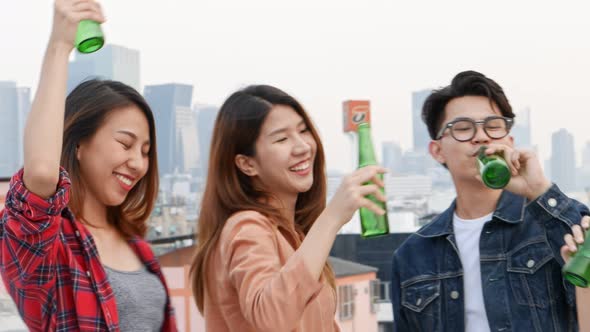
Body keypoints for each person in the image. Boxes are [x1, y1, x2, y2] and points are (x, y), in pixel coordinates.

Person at [0, 1, 177, 330]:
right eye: (125, 143)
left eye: (146, 150)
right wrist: (59, 45)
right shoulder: (50, 245)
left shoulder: (139, 246)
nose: (137, 163)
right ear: (79, 144)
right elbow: (39, 172)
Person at [390, 70, 590, 331]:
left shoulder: (547, 226)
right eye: (462, 128)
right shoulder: (412, 255)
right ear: (437, 151)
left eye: (493, 126)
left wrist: (539, 189)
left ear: (509, 140)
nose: (481, 137)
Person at [189, 85, 387, 331]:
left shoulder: (293, 236)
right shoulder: (247, 226)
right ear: (247, 164)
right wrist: (332, 217)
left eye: (303, 131)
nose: (303, 146)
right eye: (282, 138)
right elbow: (271, 317)